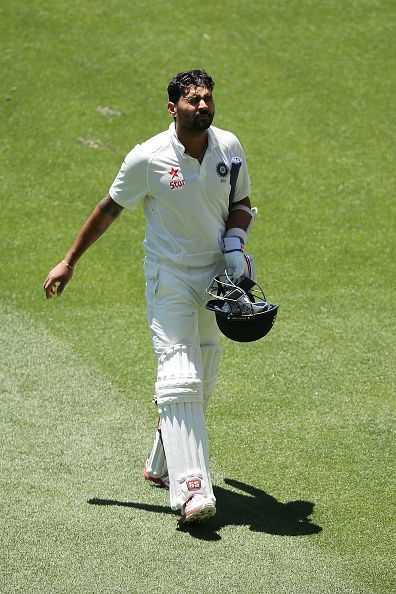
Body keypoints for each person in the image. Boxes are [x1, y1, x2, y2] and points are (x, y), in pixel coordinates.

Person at [43, 69, 255, 524]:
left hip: (216, 281)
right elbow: (109, 208)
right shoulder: (149, 157)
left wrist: (235, 247)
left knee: (205, 376)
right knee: (180, 378)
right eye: (193, 99)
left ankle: (161, 466)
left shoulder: (229, 146)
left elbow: (241, 203)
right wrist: (69, 260)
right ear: (172, 107)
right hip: (171, 279)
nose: (203, 106)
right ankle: (192, 490)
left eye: (207, 99)